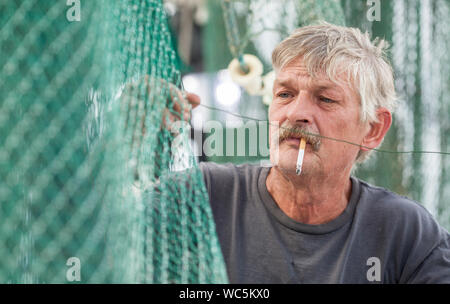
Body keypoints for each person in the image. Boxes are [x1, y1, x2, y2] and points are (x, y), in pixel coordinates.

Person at [183, 23, 450, 283]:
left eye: (326, 99)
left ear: (373, 130)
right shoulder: (204, 194)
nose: (296, 114)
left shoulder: (406, 232)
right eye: (285, 94)